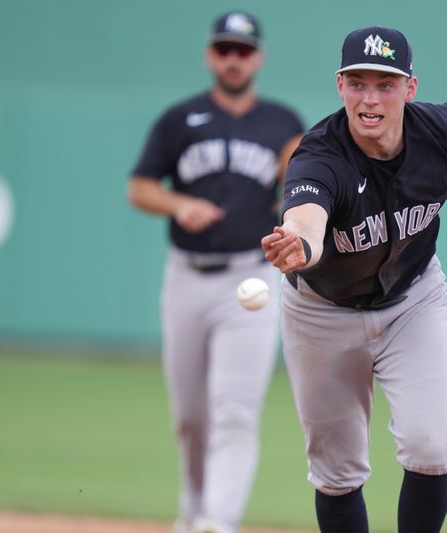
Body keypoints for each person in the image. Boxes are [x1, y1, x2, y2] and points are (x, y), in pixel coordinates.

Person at [261, 25, 447, 532]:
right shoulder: (320, 156)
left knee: (430, 448)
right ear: (339, 86)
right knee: (337, 472)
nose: (370, 98)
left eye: (385, 83)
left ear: (410, 87)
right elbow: (306, 215)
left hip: (413, 299)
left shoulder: (444, 132)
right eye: (358, 82)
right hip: (323, 312)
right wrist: (302, 243)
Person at [127, 11, 303, 533]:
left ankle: (217, 522)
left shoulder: (282, 123)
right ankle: (193, 509)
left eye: (243, 50)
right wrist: (178, 205)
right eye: (225, 49)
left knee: (235, 409)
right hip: (185, 277)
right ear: (210, 55)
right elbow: (140, 187)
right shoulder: (179, 119)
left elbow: (299, 187)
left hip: (249, 277)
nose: (233, 58)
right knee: (190, 416)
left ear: (259, 58)